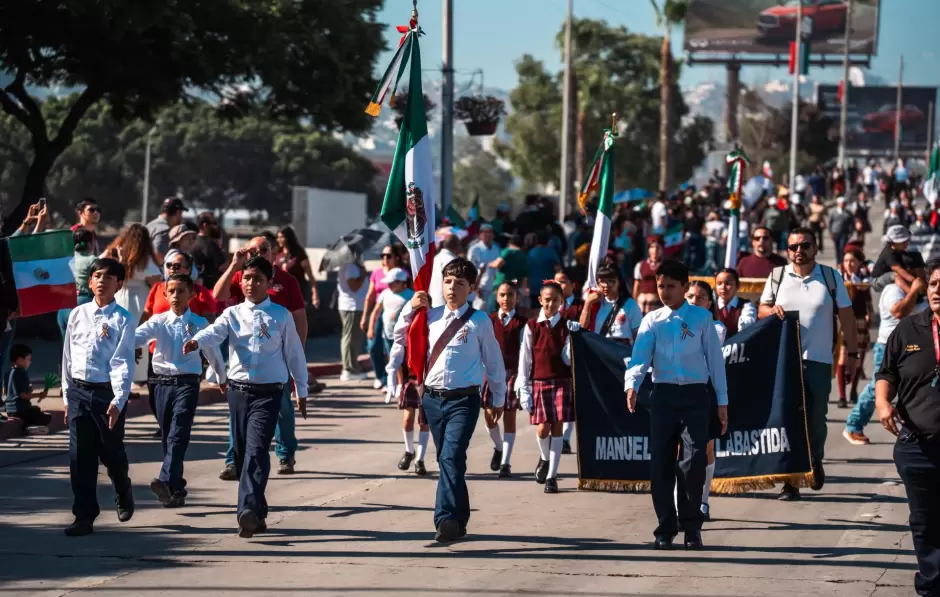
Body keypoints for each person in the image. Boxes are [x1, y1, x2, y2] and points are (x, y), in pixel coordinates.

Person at [184, 256, 309, 538]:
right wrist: (196, 341)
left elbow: (294, 354)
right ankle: (258, 511)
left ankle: (247, 511)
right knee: (242, 455)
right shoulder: (232, 314)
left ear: (269, 283)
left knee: (256, 450)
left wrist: (300, 389)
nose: (251, 284)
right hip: (239, 392)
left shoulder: (281, 315)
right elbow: (214, 332)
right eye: (247, 278)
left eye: (258, 279)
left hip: (269, 393)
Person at [389, 258, 506, 542]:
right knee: (448, 461)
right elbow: (399, 336)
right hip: (432, 399)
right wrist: (409, 308)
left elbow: (494, 362)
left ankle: (445, 520)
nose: (452, 287)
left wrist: (498, 397)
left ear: (472, 288)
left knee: (451, 457)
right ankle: (459, 518)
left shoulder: (479, 321)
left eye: (460, 283)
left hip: (464, 401)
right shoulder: (430, 316)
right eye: (448, 281)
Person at [624, 260, 728, 551]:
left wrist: (722, 400)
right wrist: (632, 384)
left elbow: (715, 361)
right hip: (663, 397)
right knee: (660, 464)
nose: (665, 292)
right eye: (661, 286)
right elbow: (640, 357)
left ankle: (692, 528)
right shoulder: (652, 320)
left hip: (695, 396)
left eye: (671, 286)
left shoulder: (701, 318)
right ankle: (666, 527)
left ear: (684, 286)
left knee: (693, 463)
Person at [759, 227, 858, 501]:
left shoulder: (830, 277)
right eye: (793, 247)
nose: (799, 251)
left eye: (805, 245)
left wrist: (852, 355)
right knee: (787, 419)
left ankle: (815, 459)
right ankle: (790, 481)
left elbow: (847, 319)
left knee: (815, 419)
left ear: (815, 248)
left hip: (818, 361)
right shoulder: (777, 277)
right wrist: (771, 310)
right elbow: (762, 310)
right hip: (784, 363)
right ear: (787, 250)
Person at [213, 236, 309, 477]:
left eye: (263, 249)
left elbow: (299, 317)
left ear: (273, 252)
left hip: (277, 358)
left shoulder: (286, 280)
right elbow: (218, 296)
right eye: (252, 250)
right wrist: (234, 266)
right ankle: (233, 460)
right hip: (245, 360)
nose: (258, 253)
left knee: (283, 408)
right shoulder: (242, 276)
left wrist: (296, 354)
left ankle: (285, 453)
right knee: (238, 414)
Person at [874, 259, 940, 597]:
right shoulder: (909, 329)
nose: (937, 290)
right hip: (917, 444)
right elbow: (886, 372)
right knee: (925, 520)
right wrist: (882, 402)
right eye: (934, 284)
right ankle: (932, 585)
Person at [135, 274, 226, 508]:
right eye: (171, 291)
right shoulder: (158, 321)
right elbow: (137, 337)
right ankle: (175, 489)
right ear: (165, 295)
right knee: (168, 436)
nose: (176, 296)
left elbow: (212, 352)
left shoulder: (199, 323)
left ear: (191, 294)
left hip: (187, 383)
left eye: (181, 291)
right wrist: (121, 343)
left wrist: (221, 377)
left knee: (178, 433)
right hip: (160, 384)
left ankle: (165, 479)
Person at [60, 257, 136, 536]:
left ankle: (122, 488)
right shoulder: (77, 314)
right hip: (78, 392)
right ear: (90, 281)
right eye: (97, 275)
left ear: (119, 284)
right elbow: (67, 357)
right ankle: (84, 516)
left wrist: (118, 400)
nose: (102, 281)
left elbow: (122, 362)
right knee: (80, 457)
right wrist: (67, 397)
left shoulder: (123, 319)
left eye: (109, 277)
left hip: (106, 394)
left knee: (111, 452)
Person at [845, 267, 925, 445]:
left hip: (909, 347)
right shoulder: (893, 290)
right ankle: (853, 425)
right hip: (888, 348)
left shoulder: (916, 292)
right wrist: (913, 290)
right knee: (878, 388)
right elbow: (899, 311)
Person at [515, 280, 575, 493]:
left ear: (562, 301)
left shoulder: (567, 326)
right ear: (540, 300)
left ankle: (552, 476)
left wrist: (574, 338)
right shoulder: (532, 326)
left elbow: (568, 360)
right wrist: (523, 388)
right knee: (542, 428)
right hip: (539, 382)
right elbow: (525, 359)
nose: (551, 304)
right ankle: (544, 457)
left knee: (557, 426)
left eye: (556, 300)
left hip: (561, 381)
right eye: (547, 300)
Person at [684, 280, 727, 521]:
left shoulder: (716, 327)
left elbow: (698, 351)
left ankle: (703, 500)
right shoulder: (669, 321)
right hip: (677, 390)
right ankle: (681, 501)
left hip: (704, 390)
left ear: (709, 304)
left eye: (700, 298)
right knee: (679, 448)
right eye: (690, 296)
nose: (694, 301)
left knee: (706, 447)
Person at [105, 224, 162, 384]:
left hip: (118, 297)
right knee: (138, 336)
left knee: (117, 337)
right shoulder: (143, 258)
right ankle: (137, 376)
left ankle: (115, 373)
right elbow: (157, 279)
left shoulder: (115, 252)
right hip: (139, 300)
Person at [484, 281, 528, 477]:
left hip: (512, 374)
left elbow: (525, 352)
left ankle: (506, 462)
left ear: (517, 298)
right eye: (502, 295)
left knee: (509, 416)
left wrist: (523, 378)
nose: (506, 299)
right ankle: (499, 447)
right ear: (497, 297)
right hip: (491, 374)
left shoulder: (522, 323)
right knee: (489, 416)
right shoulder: (489, 320)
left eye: (510, 295)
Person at [361, 245, 407, 390]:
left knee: (391, 349)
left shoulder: (402, 274)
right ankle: (380, 376)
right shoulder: (377, 273)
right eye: (383, 256)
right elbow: (370, 295)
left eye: (388, 256)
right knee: (373, 346)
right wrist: (365, 317)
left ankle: (392, 381)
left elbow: (410, 293)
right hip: (379, 312)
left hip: (396, 314)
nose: (385, 259)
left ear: (396, 257)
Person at [837, 249, 874, 408]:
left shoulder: (863, 278)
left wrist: (870, 313)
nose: (849, 264)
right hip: (844, 321)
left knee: (857, 359)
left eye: (852, 261)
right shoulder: (839, 277)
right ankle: (842, 396)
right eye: (846, 261)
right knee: (843, 357)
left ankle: (853, 390)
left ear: (859, 263)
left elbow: (867, 298)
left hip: (860, 320)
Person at [582, 264, 643, 342]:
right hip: (598, 347)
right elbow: (582, 329)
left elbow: (638, 336)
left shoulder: (630, 305)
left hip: (621, 348)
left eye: (611, 281)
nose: (606, 285)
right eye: (602, 281)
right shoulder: (595, 303)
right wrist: (587, 304)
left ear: (619, 282)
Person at [57, 228, 98, 339]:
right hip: (83, 304)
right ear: (89, 244)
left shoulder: (66, 260)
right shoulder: (93, 261)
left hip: (63, 307)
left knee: (66, 348)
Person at [4, 344, 52, 430]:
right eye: (28, 359)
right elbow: (23, 395)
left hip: (9, 410)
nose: (30, 362)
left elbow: (5, 391)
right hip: (21, 410)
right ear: (20, 360)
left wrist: (28, 390)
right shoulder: (22, 373)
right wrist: (39, 395)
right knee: (45, 417)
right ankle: (30, 427)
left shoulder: (8, 373)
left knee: (35, 409)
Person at [337, 258, 368, 382]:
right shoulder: (350, 266)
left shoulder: (352, 265)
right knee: (350, 338)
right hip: (352, 306)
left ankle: (352, 366)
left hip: (353, 306)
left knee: (352, 338)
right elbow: (353, 286)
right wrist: (363, 275)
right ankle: (349, 369)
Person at [275, 225, 320, 310]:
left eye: (281, 237)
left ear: (288, 238)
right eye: (278, 237)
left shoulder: (299, 254)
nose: (279, 240)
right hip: (281, 294)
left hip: (298, 293)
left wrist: (315, 294)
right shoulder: (278, 253)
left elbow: (310, 276)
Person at [488, 235, 529, 314]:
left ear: (510, 243)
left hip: (501, 285)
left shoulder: (508, 251)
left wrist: (490, 264)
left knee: (493, 311)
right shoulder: (524, 256)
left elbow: (498, 264)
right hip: (514, 287)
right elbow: (524, 276)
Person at [871, 225, 917, 293]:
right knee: (895, 275)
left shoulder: (900, 251)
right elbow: (898, 270)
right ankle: (911, 293)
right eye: (903, 242)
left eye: (907, 241)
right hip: (877, 281)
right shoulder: (889, 253)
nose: (906, 244)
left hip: (890, 277)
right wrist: (914, 280)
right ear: (894, 243)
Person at [467, 224, 501, 311]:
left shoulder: (496, 249)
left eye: (490, 232)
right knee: (477, 313)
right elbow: (470, 270)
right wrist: (476, 287)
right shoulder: (474, 249)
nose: (488, 235)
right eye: (485, 232)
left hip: (493, 289)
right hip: (479, 289)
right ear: (480, 234)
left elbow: (498, 269)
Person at [714, 268, 756, 336]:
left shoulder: (746, 306)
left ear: (738, 285)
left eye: (728, 283)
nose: (723, 287)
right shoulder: (709, 305)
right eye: (719, 284)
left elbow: (746, 327)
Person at [191, 212, 226, 289]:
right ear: (205, 225)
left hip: (193, 288)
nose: (216, 227)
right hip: (210, 289)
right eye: (214, 224)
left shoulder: (191, 242)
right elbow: (223, 267)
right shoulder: (212, 246)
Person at [146, 197, 185, 265]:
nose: (182, 217)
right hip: (152, 270)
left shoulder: (150, 225)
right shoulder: (164, 230)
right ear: (178, 212)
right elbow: (159, 255)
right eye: (181, 213)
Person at [526, 230, 562, 299]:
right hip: (548, 288)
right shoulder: (551, 252)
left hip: (533, 288)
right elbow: (558, 271)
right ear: (548, 241)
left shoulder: (530, 253)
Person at [633, 238, 664, 314]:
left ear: (662, 250)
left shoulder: (666, 266)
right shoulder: (640, 265)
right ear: (648, 249)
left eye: (658, 247)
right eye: (652, 247)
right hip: (641, 304)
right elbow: (636, 285)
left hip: (656, 304)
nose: (655, 250)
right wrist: (633, 303)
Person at [429, 234, 461, 308]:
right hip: (447, 303)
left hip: (433, 301)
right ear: (456, 246)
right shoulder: (453, 261)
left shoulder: (436, 258)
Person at [828, 197, 855, 263]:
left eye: (844, 203)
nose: (843, 205)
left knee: (842, 247)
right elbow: (829, 223)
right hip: (835, 232)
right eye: (842, 203)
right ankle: (838, 262)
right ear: (838, 204)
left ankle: (842, 261)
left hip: (844, 233)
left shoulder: (848, 213)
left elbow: (852, 223)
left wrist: (851, 232)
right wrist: (830, 233)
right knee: (837, 248)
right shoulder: (833, 212)